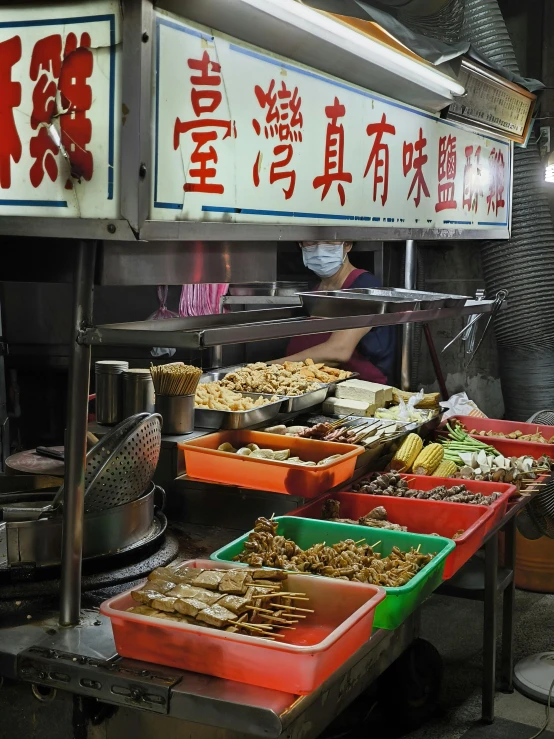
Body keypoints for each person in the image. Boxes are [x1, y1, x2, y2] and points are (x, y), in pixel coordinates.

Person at [274, 241, 396, 383]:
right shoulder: (314, 292)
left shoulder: (364, 287)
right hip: (313, 386)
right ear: (301, 245)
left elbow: (339, 351)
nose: (319, 249)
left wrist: (270, 367)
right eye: (311, 242)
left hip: (359, 392)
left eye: (329, 241)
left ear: (347, 244)